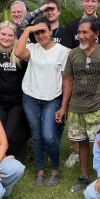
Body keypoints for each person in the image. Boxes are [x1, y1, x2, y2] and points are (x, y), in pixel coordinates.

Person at [57, 16, 100, 192]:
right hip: (76, 109)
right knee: (82, 143)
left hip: (97, 109)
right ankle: (84, 177)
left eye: (85, 32)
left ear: (96, 34)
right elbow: (68, 81)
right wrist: (64, 107)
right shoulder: (73, 54)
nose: (80, 36)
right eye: (79, 32)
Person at [15, 20, 69, 186]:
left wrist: (64, 106)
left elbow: (67, 81)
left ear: (51, 31)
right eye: (37, 33)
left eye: (43, 31)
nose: (41, 36)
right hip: (31, 97)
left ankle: (55, 169)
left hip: (52, 98)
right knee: (37, 135)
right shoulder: (32, 49)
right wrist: (28, 30)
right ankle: (40, 171)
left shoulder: (62, 51)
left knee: (49, 136)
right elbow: (18, 52)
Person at [0, 21, 29, 162]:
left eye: (10, 35)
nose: (6, 37)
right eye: (3, 34)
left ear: (14, 37)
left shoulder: (19, 53)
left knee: (13, 131)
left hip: (18, 100)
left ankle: (16, 160)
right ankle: (1, 158)